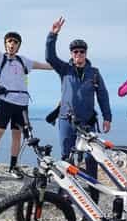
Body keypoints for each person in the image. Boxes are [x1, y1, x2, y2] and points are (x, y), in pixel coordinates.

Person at [0, 0, 54, 182]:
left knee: (16, 136)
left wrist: (64, 65)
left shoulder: (23, 61)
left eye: (15, 42)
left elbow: (46, 66)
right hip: (5, 102)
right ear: (5, 44)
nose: (12, 44)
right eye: (9, 41)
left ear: (18, 45)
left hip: (21, 104)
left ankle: (13, 166)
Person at [45, 17, 112, 193]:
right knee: (66, 156)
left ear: (86, 53)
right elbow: (49, 57)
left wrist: (107, 117)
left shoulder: (94, 73)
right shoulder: (64, 69)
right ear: (71, 54)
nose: (78, 54)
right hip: (66, 119)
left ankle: (93, 190)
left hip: (87, 121)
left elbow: (103, 96)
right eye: (75, 52)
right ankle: (65, 192)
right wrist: (52, 34)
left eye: (81, 51)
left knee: (91, 158)